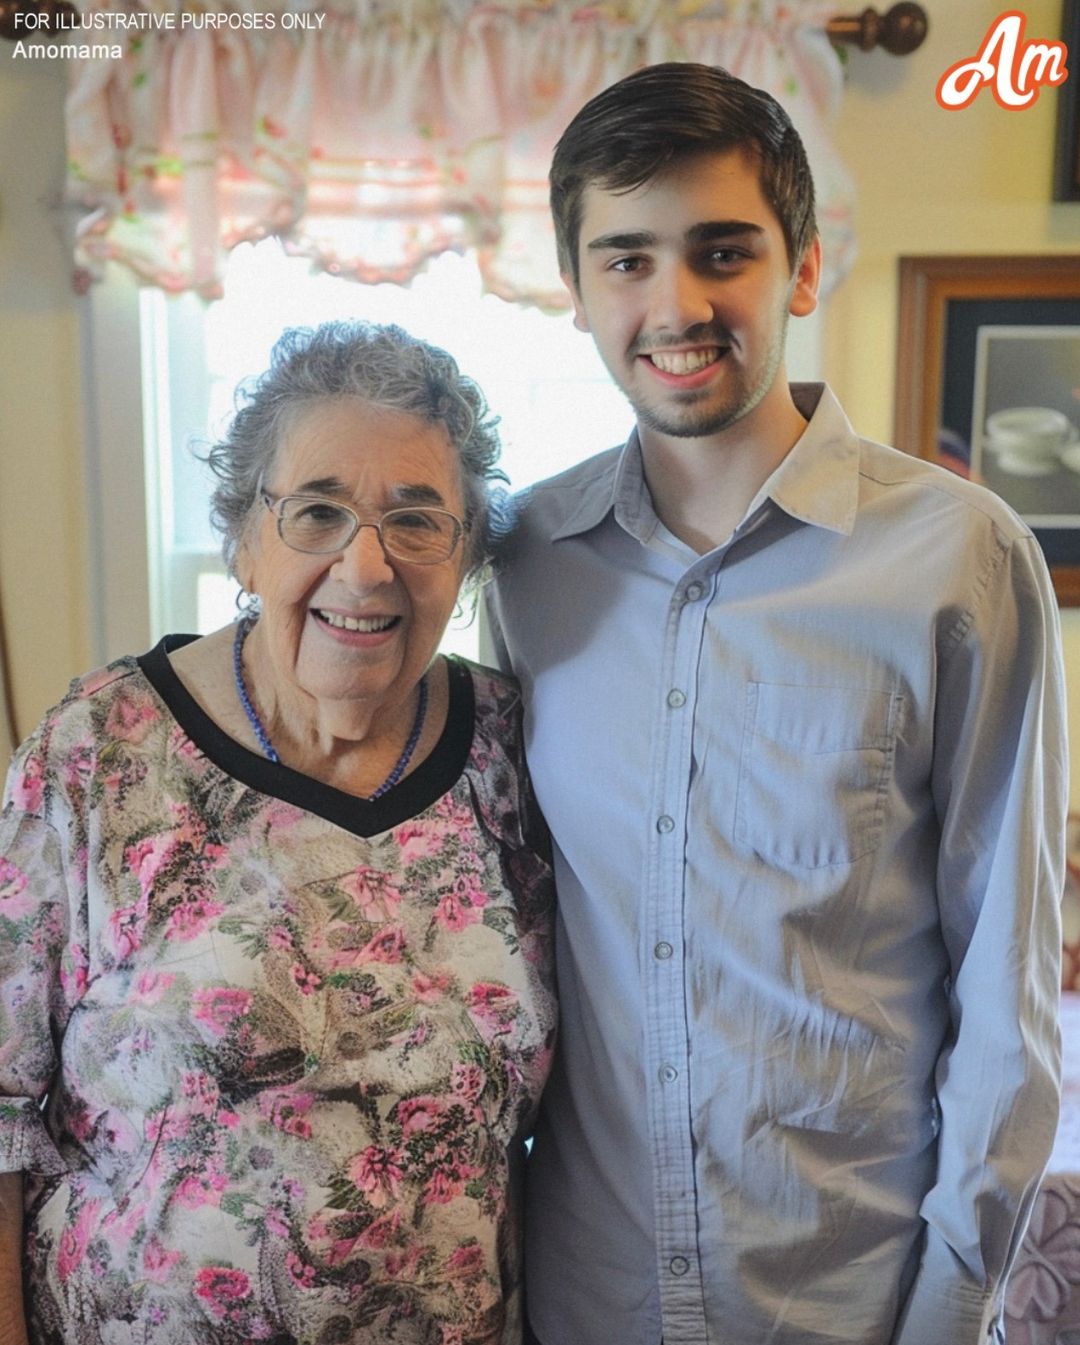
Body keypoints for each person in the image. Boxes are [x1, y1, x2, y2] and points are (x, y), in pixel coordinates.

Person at [486, 62, 1068, 1345]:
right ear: (575, 289)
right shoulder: (522, 563)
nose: (674, 303)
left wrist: (950, 1305)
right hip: (588, 1293)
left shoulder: (959, 557)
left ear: (802, 270)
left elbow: (1008, 990)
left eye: (722, 251)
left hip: (843, 1297)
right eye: (626, 258)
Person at [0, 321, 556, 1345]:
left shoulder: (513, 751)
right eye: (317, 512)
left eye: (418, 520)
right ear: (246, 537)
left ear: (466, 551)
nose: (367, 565)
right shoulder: (99, 750)